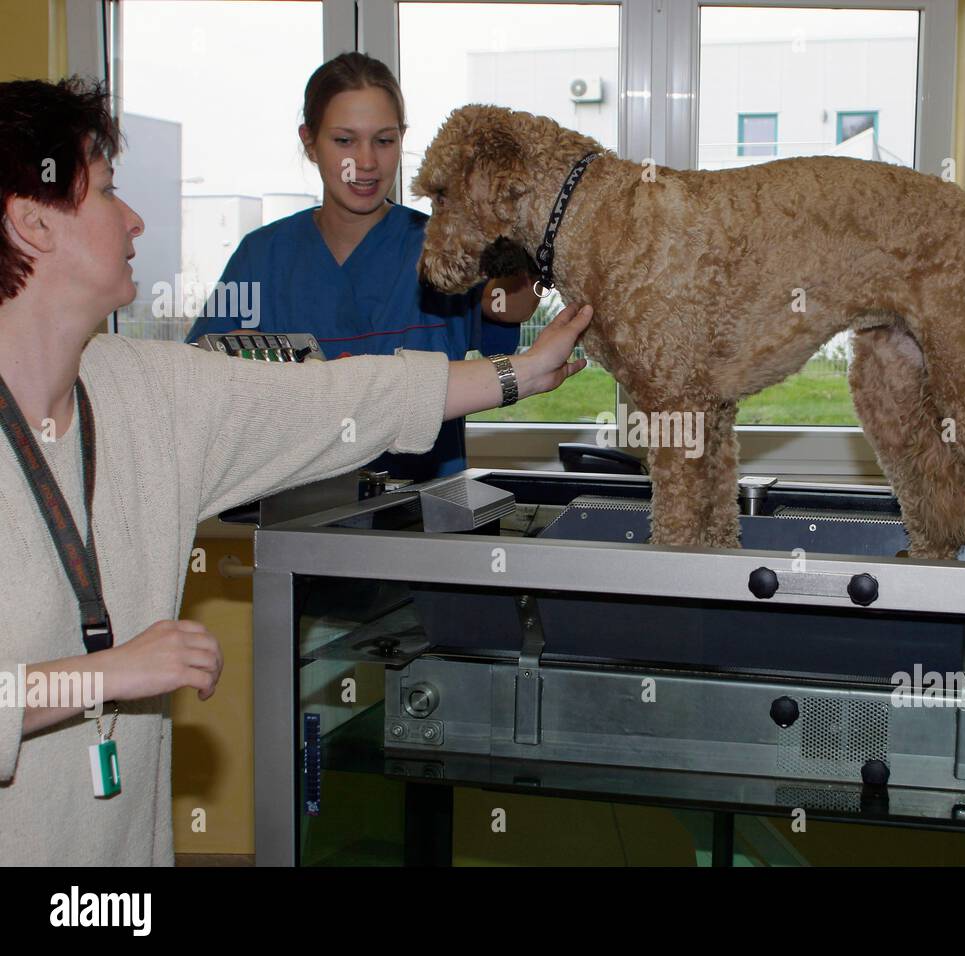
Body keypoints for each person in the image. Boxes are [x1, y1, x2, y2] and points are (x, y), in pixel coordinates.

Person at [0, 77, 590, 866]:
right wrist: (101, 675)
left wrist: (518, 374)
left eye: (385, 138)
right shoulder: (264, 261)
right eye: (108, 192)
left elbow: (339, 395)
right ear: (33, 222)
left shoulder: (146, 390)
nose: (135, 218)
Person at [185, 52, 540, 480]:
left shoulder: (441, 244)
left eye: (384, 140)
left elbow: (510, 306)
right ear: (309, 142)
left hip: (427, 523)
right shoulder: (261, 257)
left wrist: (520, 240)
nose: (366, 162)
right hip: (300, 520)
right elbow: (200, 375)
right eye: (344, 141)